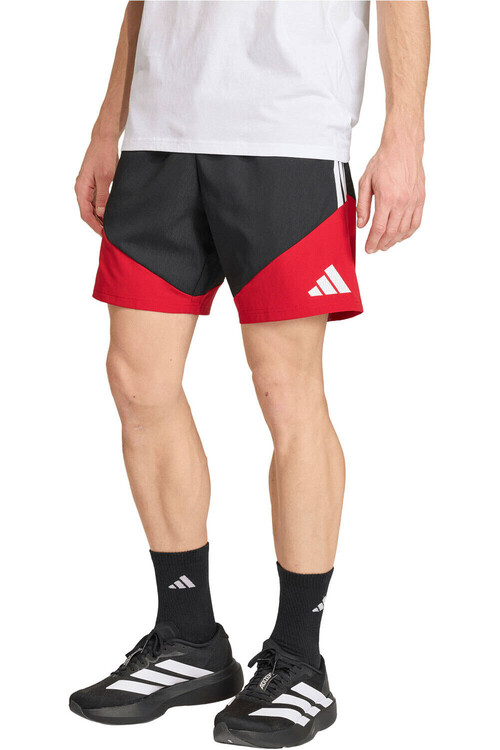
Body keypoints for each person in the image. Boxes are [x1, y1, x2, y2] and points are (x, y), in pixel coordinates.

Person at [70, 1, 430, 746]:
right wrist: (109, 125)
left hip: (288, 132)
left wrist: (405, 134)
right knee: (137, 380)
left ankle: (298, 659)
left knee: (286, 391)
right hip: (161, 132)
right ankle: (188, 638)